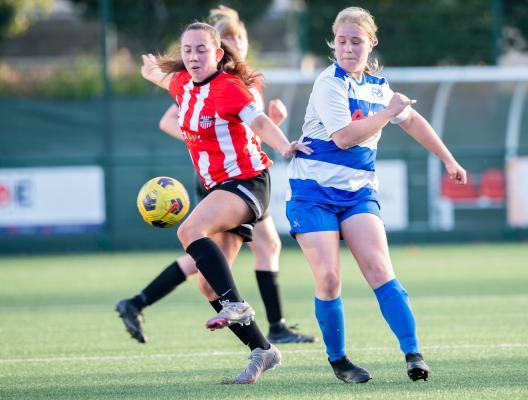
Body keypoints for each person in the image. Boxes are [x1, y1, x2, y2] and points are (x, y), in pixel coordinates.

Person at [286, 7, 467, 383]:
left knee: (380, 270)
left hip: (357, 193)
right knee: (330, 278)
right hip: (312, 193)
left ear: (372, 43)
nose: (348, 48)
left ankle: (413, 354)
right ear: (333, 44)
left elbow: (412, 120)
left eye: (356, 41)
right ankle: (339, 361)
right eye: (342, 41)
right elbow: (344, 137)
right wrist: (388, 113)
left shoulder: (378, 86)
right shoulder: (328, 83)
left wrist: (448, 159)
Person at [116, 6, 314, 347]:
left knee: (196, 233)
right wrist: (149, 70)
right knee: (207, 281)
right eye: (188, 50)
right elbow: (165, 83)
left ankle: (252, 313)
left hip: (246, 182)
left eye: (202, 49)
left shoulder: (233, 86)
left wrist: (283, 145)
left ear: (219, 52)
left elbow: (258, 124)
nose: (193, 56)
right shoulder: (184, 83)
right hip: (216, 183)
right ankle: (262, 350)